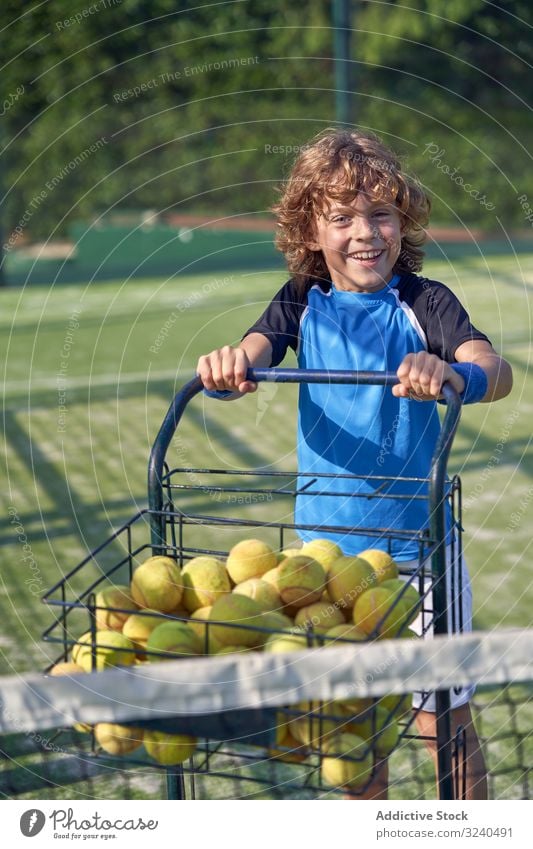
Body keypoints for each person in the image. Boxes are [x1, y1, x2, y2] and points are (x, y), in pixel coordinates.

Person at [196, 129, 513, 799]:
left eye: (380, 213)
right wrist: (229, 367)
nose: (363, 233)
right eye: (341, 217)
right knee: (353, 727)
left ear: (402, 221)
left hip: (420, 557)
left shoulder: (426, 302)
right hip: (326, 562)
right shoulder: (298, 300)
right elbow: (253, 350)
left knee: (441, 721)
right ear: (310, 230)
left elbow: (493, 366)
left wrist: (452, 373)